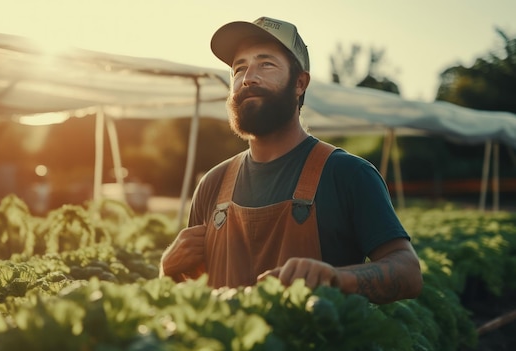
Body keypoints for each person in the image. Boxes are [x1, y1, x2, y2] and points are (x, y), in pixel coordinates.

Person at [160, 16, 423, 304]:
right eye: (239, 68)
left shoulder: (348, 173)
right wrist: (168, 270)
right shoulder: (212, 184)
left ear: (299, 83)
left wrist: (336, 279)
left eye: (266, 64)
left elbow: (408, 273)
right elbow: (189, 299)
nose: (248, 77)